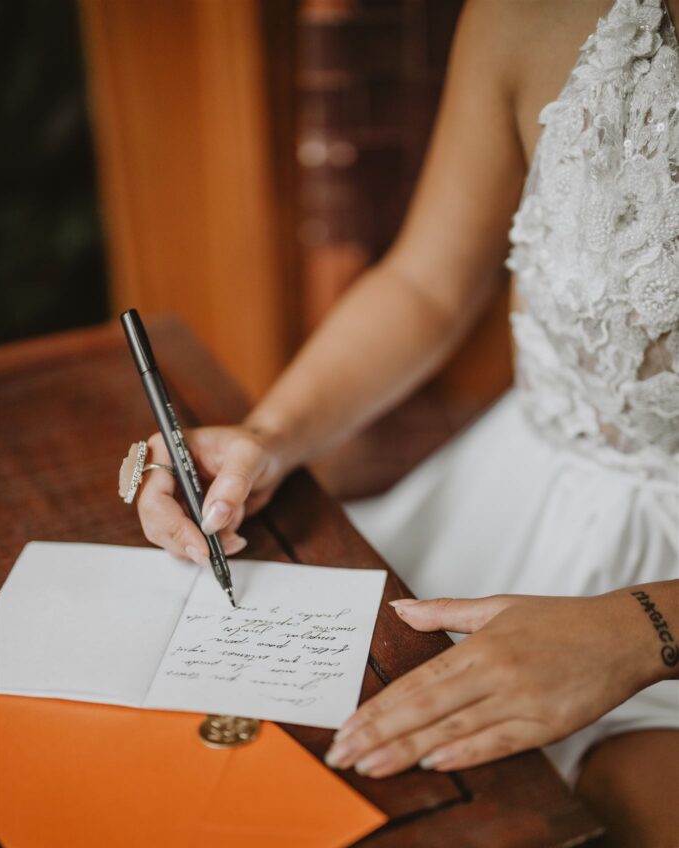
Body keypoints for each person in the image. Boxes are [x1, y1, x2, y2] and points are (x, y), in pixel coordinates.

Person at [134, 0, 678, 791]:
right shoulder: (531, 15)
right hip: (506, 507)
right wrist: (269, 434)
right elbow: (426, 283)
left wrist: (643, 626)